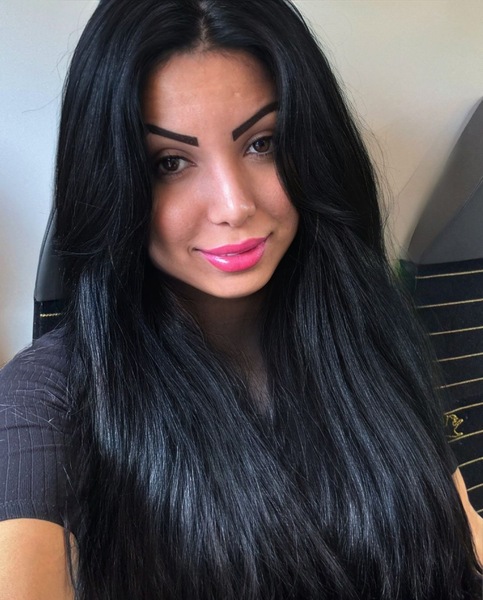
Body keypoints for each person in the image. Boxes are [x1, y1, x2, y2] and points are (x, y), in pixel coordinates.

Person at [0, 0, 482, 598]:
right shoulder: (49, 393)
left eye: (262, 143)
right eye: (170, 162)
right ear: (113, 181)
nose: (233, 205)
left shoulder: (368, 322)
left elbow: (464, 533)